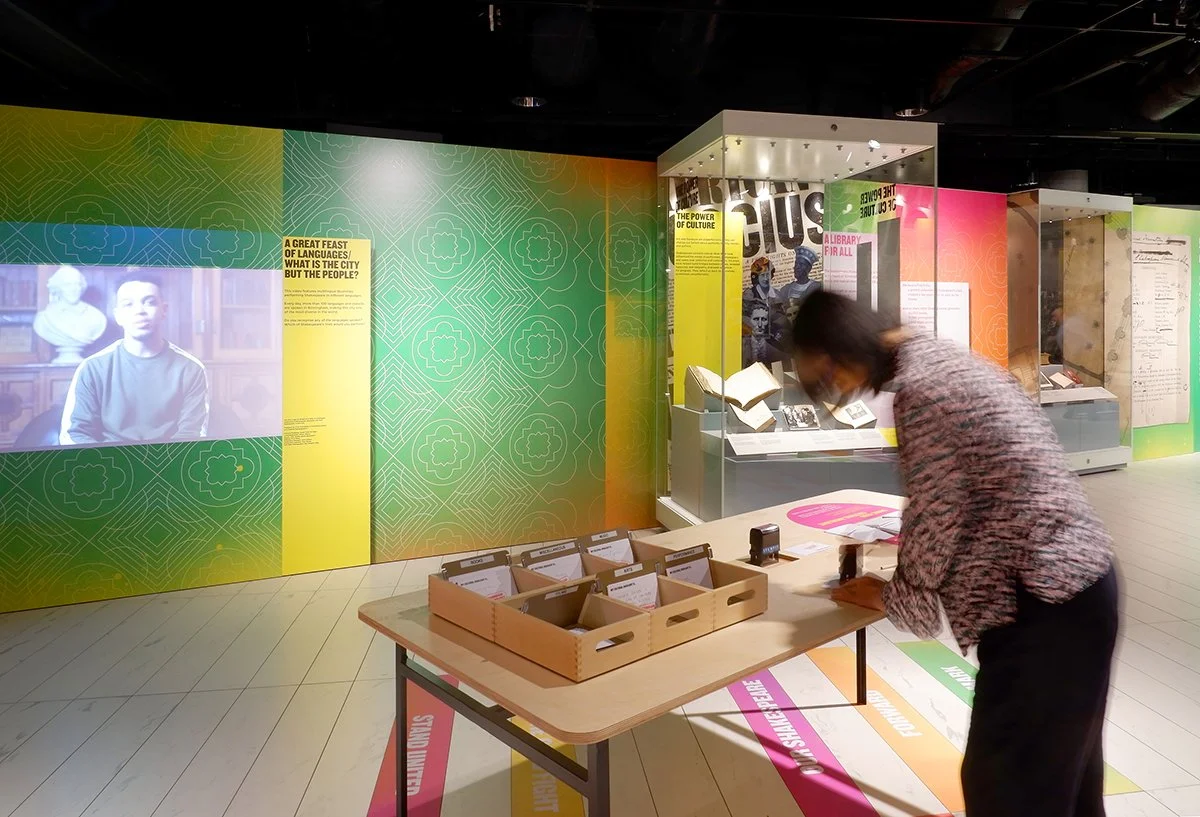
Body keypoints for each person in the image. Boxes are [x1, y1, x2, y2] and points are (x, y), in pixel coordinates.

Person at [791, 290, 1116, 817]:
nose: (842, 391)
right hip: (1080, 584)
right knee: (1066, 786)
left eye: (832, 378)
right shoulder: (942, 359)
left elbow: (936, 513)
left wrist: (895, 598)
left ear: (836, 354)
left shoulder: (921, 389)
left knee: (1007, 788)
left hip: (1043, 601)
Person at [61, 273, 209, 445]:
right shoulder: (92, 368)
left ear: (164, 310)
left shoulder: (191, 369)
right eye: (128, 304)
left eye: (150, 302)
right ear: (118, 315)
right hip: (108, 464)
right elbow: (76, 434)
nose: (139, 311)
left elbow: (191, 435)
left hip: (167, 463)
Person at [32, 265, 108, 364]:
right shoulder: (43, 319)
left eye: (77, 284)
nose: (74, 289)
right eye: (67, 285)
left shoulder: (97, 318)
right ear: (57, 288)